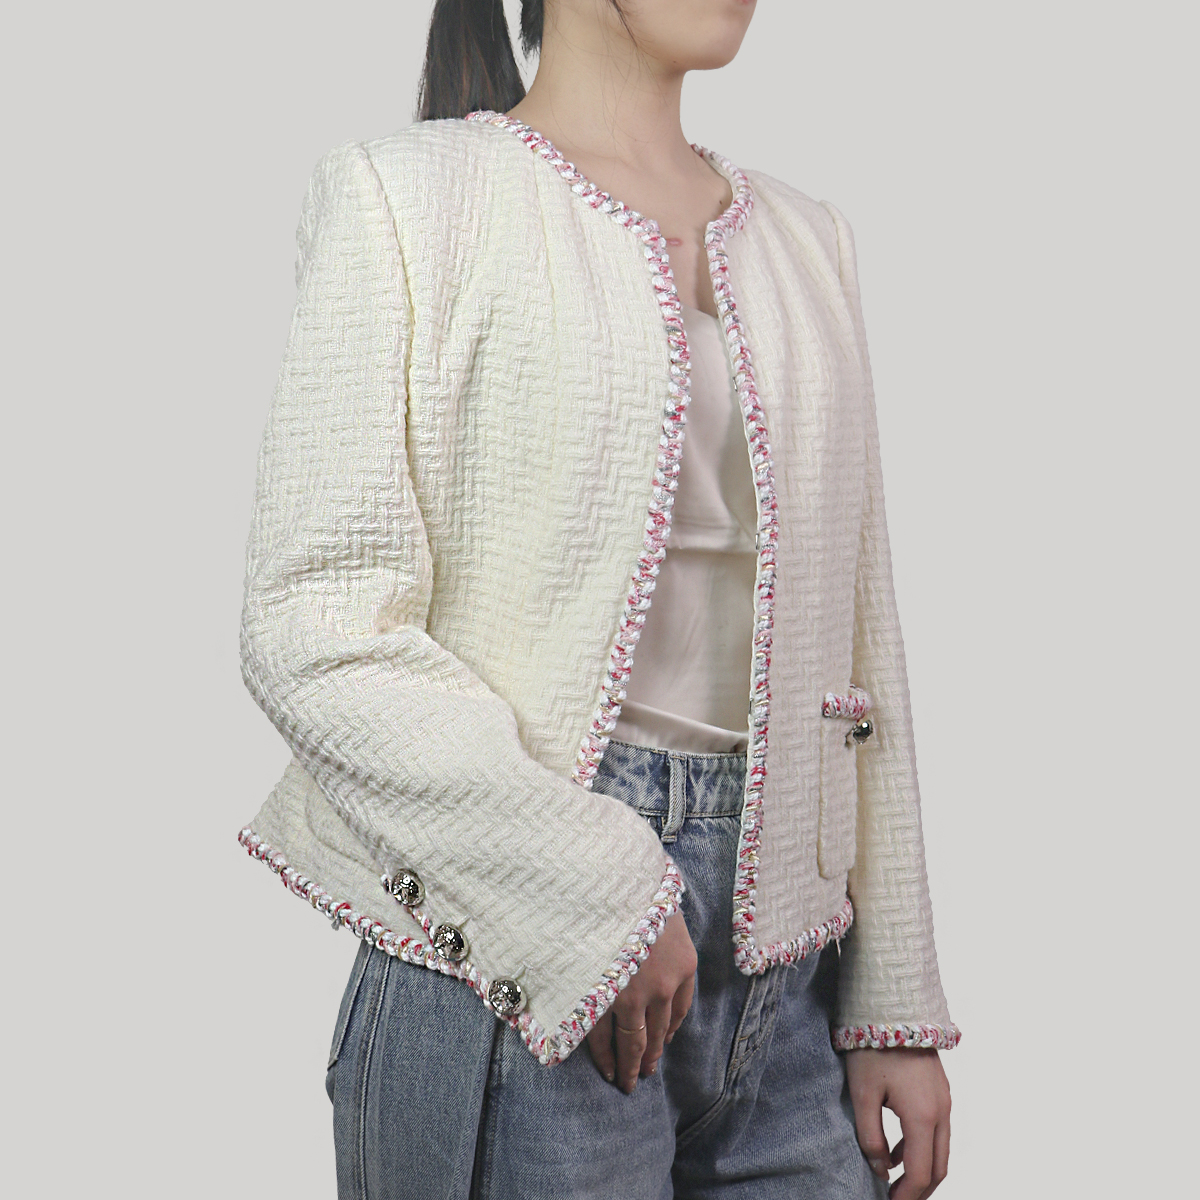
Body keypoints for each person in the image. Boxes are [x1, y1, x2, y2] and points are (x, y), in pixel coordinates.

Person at [235, 1, 958, 1196]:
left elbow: (861, 645)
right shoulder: (407, 199)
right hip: (507, 948)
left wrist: (895, 1001)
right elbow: (314, 625)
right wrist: (594, 889)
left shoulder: (807, 240)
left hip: (788, 976)